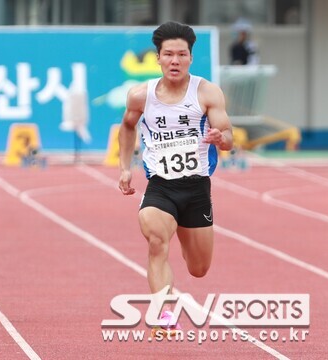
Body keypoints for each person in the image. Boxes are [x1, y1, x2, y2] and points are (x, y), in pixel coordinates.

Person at [118, 21, 233, 335]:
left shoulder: (207, 92)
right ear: (158, 58)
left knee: (198, 269)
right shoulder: (141, 96)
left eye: (181, 54)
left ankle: (185, 237)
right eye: (168, 54)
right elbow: (127, 127)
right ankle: (162, 314)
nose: (175, 61)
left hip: (196, 189)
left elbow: (229, 136)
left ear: (190, 58)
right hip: (160, 187)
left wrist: (221, 140)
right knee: (156, 241)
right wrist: (125, 166)